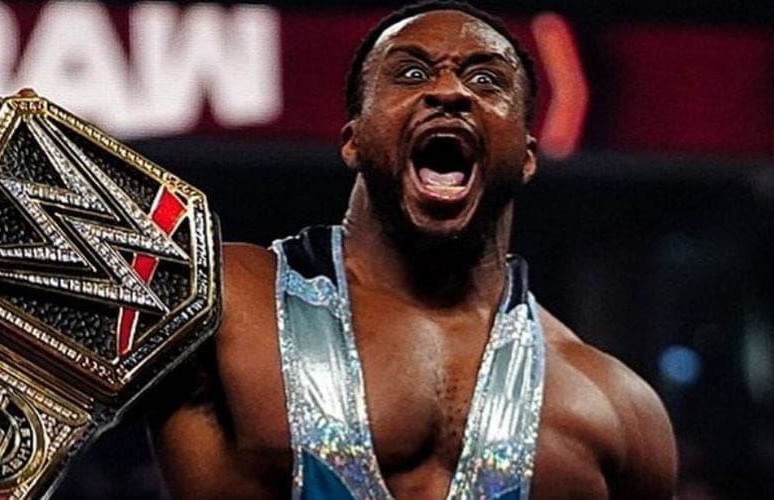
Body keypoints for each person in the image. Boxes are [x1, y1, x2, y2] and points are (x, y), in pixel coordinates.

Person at [151, 1, 678, 498]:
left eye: (486, 79)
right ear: (353, 140)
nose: (449, 91)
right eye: (410, 73)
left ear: (527, 157)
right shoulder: (221, 302)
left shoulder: (619, 412)